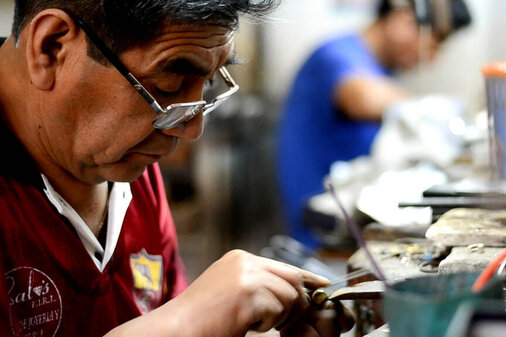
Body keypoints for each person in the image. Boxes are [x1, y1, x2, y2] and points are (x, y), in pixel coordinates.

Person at [0, 1, 354, 336]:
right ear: (51, 47)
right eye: (167, 87)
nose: (191, 129)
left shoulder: (124, 163)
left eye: (209, 85)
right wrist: (182, 321)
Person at [277, 0, 471, 248]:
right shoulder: (336, 55)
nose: (431, 58)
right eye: (434, 41)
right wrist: (434, 112)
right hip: (323, 235)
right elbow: (363, 98)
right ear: (404, 18)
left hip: (353, 228)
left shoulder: (383, 71)